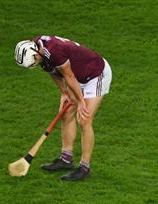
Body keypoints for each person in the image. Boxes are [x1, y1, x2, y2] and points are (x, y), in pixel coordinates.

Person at [14, 36, 112, 181]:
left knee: (84, 119)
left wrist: (80, 102)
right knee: (65, 114)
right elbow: (52, 70)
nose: (35, 65)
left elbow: (69, 76)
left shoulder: (54, 51)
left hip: (95, 75)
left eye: (34, 62)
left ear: (36, 53)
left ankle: (84, 167)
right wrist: (65, 92)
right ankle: (66, 159)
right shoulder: (38, 52)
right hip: (76, 76)